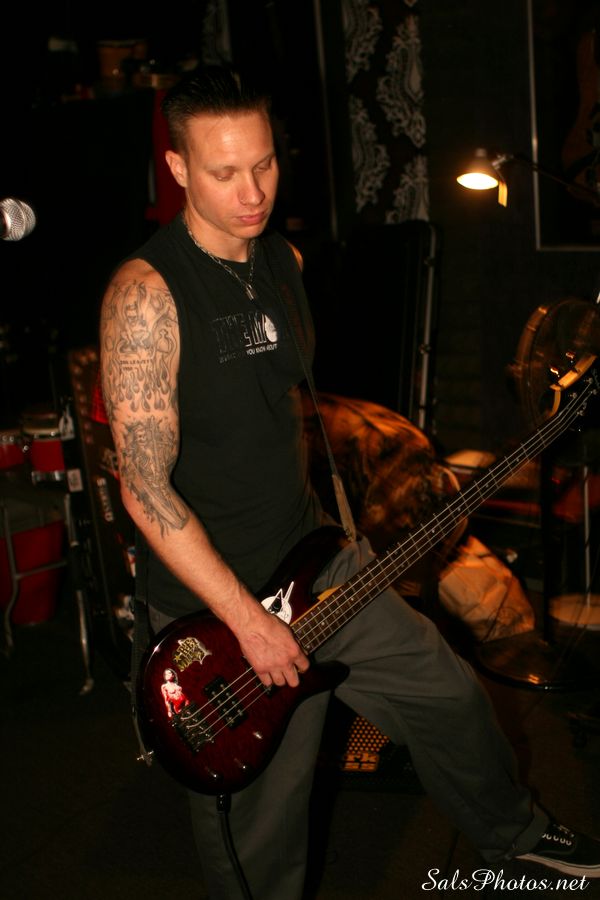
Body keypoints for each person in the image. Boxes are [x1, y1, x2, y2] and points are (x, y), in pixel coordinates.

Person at [99, 64, 600, 899]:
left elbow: (277, 410)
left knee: (447, 695)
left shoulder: (281, 260)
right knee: (265, 818)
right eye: (224, 172)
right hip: (218, 613)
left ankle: (513, 834)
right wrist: (250, 624)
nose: (252, 192)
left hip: (317, 561)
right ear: (179, 168)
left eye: (264, 163)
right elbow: (144, 490)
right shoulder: (145, 299)